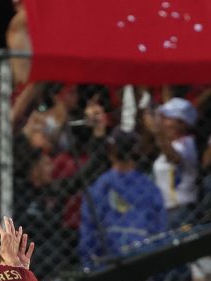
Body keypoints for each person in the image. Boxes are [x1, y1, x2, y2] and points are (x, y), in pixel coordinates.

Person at [79, 130, 167, 267]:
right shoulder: (150, 188)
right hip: (144, 262)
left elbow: (88, 234)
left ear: (110, 153)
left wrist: (89, 265)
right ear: (136, 152)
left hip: (105, 264)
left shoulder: (98, 187)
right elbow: (160, 231)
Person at [147, 97, 199, 228]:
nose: (163, 122)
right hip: (167, 211)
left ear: (182, 123)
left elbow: (174, 157)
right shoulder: (171, 145)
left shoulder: (186, 143)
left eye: (167, 118)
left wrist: (157, 132)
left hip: (182, 210)